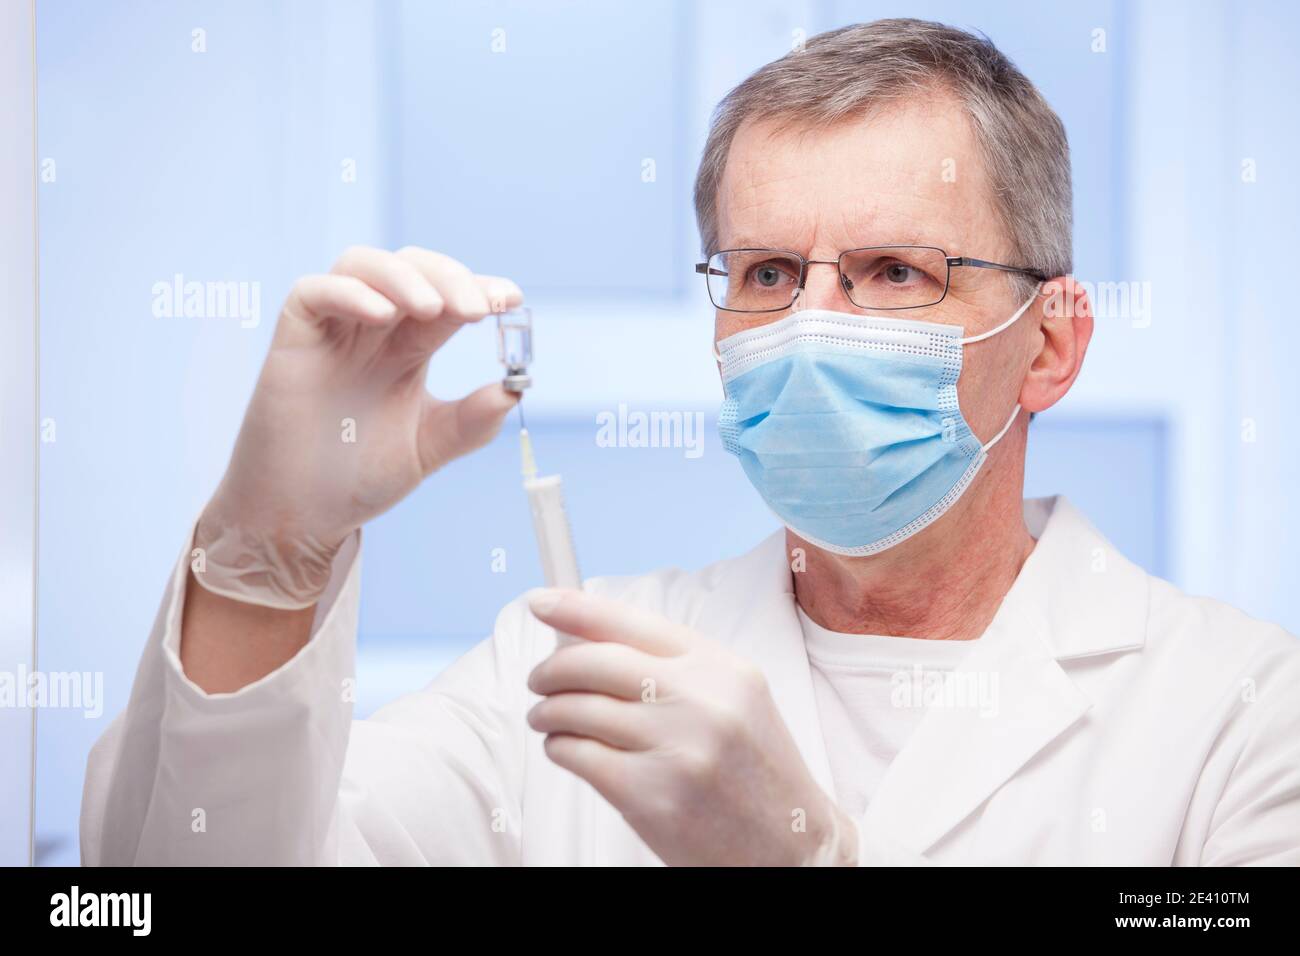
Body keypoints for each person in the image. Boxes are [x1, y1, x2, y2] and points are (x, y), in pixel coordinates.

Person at [81, 19, 1299, 866]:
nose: (813, 326)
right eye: (768, 270)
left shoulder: (1241, 712)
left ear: (1050, 343)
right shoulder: (558, 673)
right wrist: (266, 556)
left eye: (892, 271)